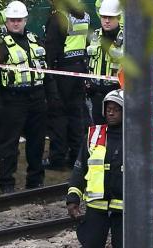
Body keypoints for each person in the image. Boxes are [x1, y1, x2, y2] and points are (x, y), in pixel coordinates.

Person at [0, 0, 58, 193]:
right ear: (6, 21)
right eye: (12, 20)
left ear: (25, 20)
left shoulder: (35, 40)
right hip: (12, 101)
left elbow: (46, 71)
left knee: (37, 143)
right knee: (9, 145)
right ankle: (6, 184)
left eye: (19, 20)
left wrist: (52, 96)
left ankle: (35, 181)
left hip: (37, 99)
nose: (15, 23)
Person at [66, 89, 125, 248]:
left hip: (124, 209)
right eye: (108, 109)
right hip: (96, 207)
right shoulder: (93, 135)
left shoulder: (136, 136)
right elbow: (80, 170)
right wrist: (73, 198)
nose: (111, 114)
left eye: (116, 110)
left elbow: (150, 173)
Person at [43, 0, 90, 170]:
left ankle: (57, 159)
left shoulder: (59, 18)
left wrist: (46, 75)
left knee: (58, 115)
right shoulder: (84, 16)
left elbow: (50, 50)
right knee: (76, 115)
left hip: (62, 72)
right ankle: (76, 156)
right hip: (79, 69)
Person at [86, 0, 123, 125]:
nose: (106, 21)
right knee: (99, 131)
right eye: (104, 17)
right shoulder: (94, 36)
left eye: (110, 17)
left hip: (117, 94)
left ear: (118, 17)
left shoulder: (128, 38)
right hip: (96, 94)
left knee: (117, 131)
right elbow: (88, 60)